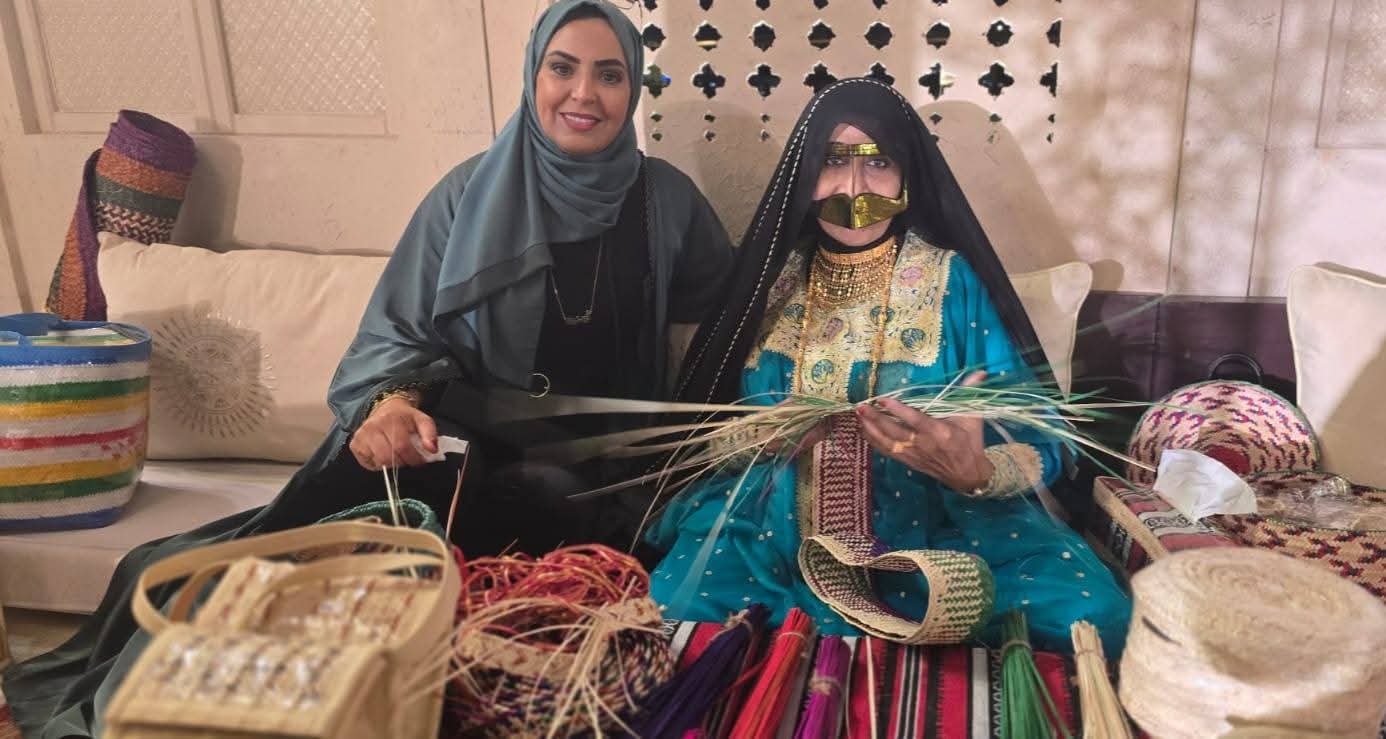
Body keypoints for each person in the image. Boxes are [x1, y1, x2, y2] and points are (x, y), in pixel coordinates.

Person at [2, 2, 732, 735]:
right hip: (472, 445)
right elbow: (397, 333)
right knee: (296, 549)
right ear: (532, 76)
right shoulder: (467, 196)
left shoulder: (665, 200)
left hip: (605, 460)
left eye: (609, 75)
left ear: (632, 89)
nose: (584, 94)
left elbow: (726, 309)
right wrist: (392, 405)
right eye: (562, 68)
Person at [649, 78, 1129, 655]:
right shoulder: (768, 286)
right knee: (667, 611)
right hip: (770, 529)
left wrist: (977, 472)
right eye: (833, 161)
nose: (854, 187)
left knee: (1093, 614)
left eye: (877, 162)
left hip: (941, 528)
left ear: (907, 177)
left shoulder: (953, 283)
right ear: (805, 173)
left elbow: (1045, 440)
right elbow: (704, 441)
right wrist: (761, 438)